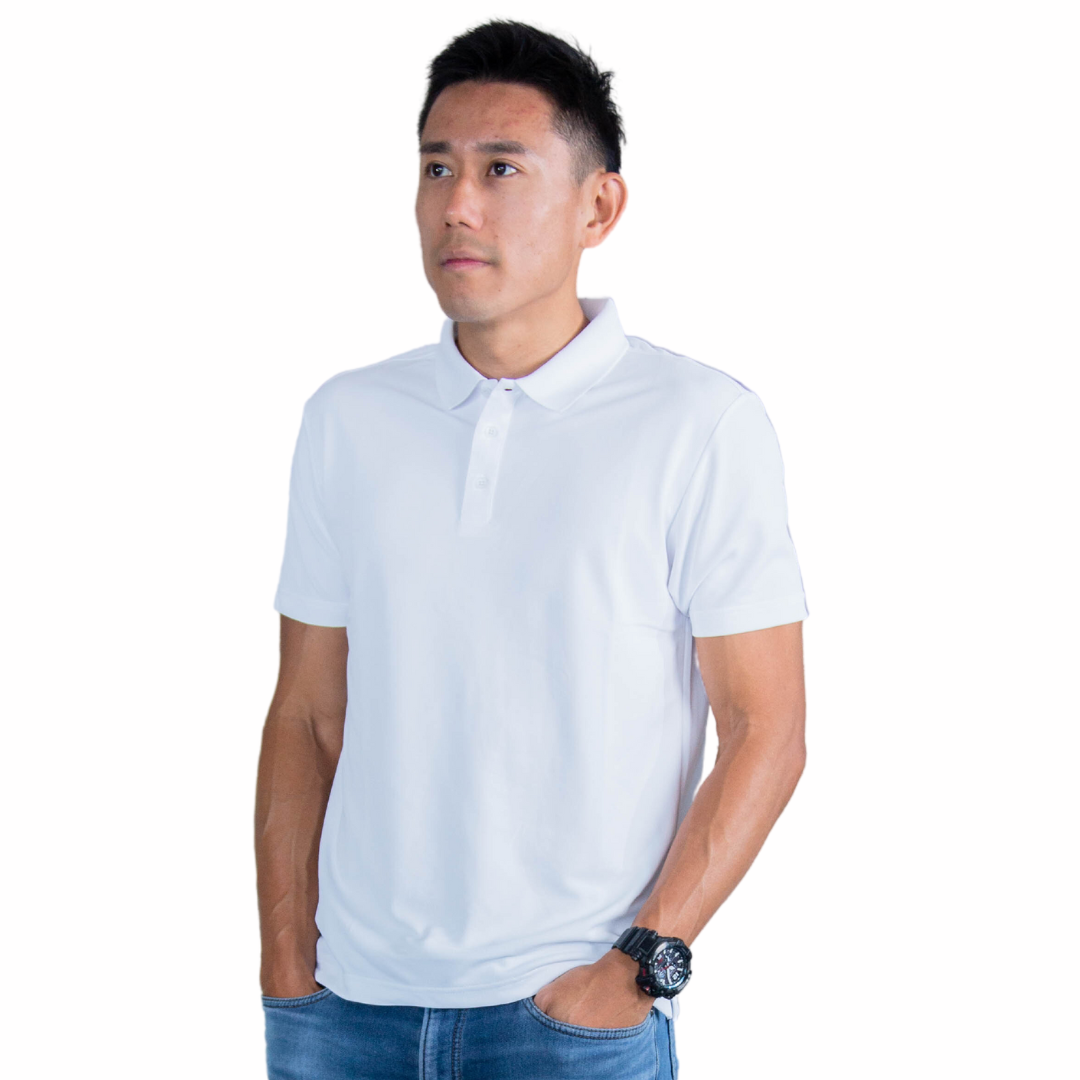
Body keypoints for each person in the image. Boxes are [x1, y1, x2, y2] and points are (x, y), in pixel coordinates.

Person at [254, 17, 808, 1080]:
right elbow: (308, 713)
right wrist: (287, 967)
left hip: (569, 1022)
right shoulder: (348, 420)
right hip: (343, 1015)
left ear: (599, 206)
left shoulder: (700, 424)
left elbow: (766, 728)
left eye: (501, 168)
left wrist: (638, 967)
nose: (457, 204)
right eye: (437, 168)